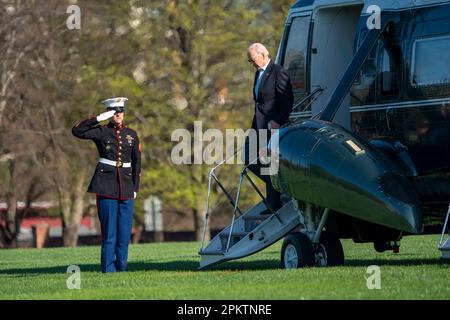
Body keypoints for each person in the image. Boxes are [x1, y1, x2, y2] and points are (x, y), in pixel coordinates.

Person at [72, 97, 141, 273]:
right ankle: (109, 269)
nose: (118, 115)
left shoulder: (131, 134)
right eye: (115, 112)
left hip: (126, 186)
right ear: (110, 114)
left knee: (124, 234)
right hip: (106, 185)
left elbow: (137, 162)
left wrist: (135, 187)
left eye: (121, 111)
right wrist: (98, 118)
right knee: (109, 232)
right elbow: (77, 131)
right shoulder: (101, 131)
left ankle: (122, 267)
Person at [245, 43, 294, 215]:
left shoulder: (278, 72)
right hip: (257, 126)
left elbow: (287, 101)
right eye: (249, 61)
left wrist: (278, 122)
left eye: (252, 60)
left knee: (269, 164)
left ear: (263, 53)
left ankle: (274, 203)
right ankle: (278, 188)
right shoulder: (258, 73)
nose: (251, 64)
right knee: (249, 160)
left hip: (272, 126)